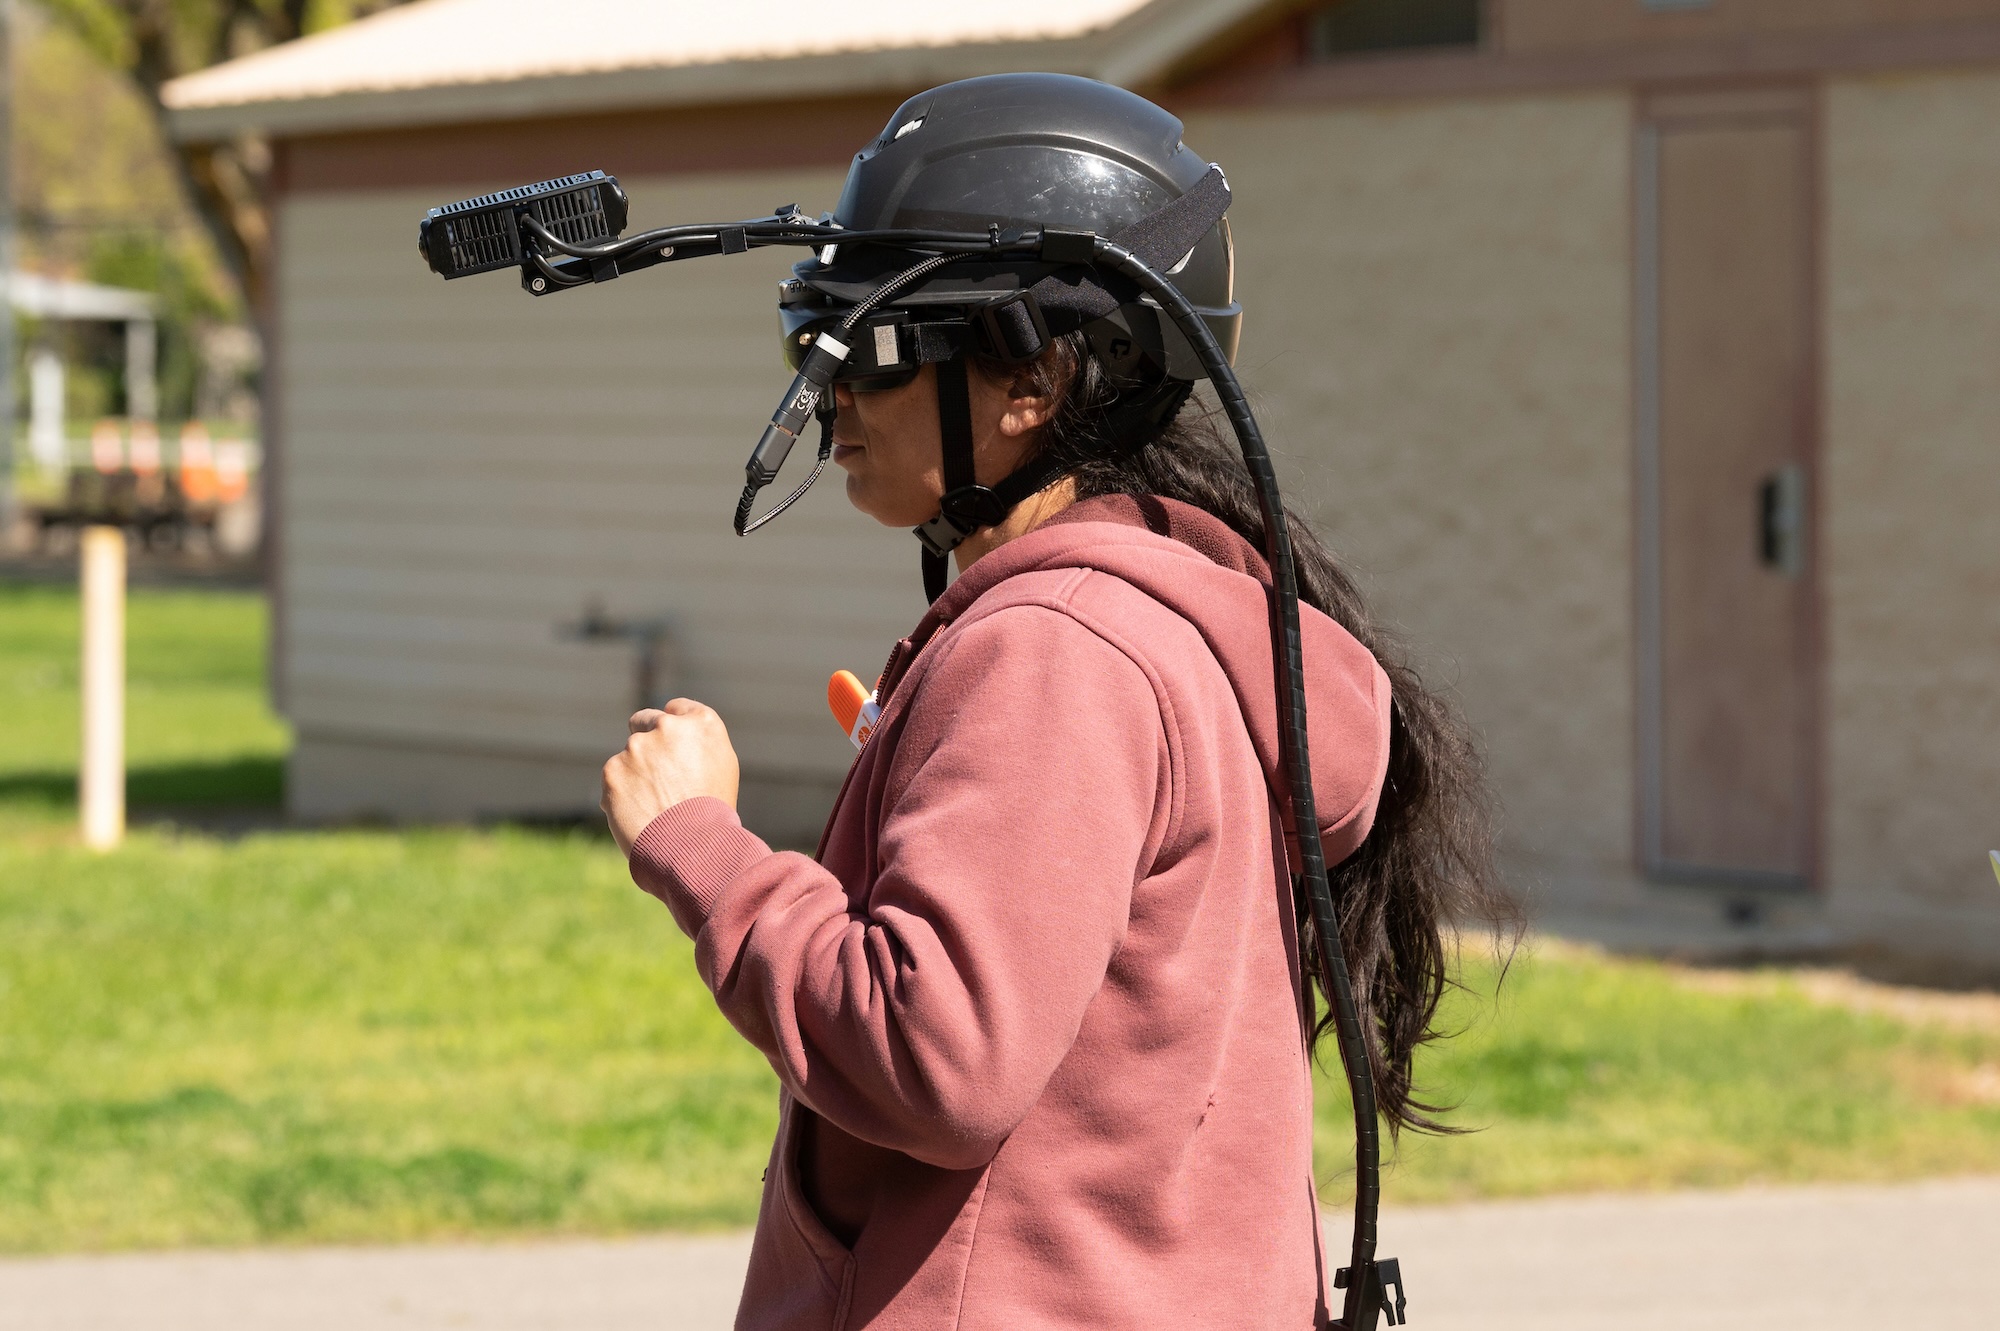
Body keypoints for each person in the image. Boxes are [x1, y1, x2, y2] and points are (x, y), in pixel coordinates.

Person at [599, 74, 1504, 1331]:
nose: (830, 399)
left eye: (872, 346)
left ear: (1027, 385)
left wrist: (698, 844)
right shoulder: (1166, 624)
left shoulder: (1053, 651)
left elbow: (934, 1054)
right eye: (813, 343)